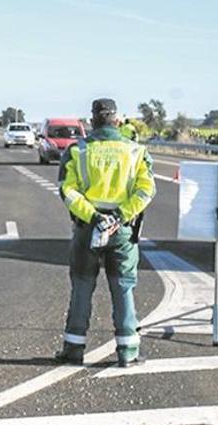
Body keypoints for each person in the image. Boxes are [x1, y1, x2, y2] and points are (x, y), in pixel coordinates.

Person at [56, 98, 156, 367]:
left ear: (92, 120)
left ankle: (74, 350)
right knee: (123, 288)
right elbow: (146, 190)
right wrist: (120, 216)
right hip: (122, 230)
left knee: (81, 286)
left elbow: (67, 189)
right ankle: (128, 352)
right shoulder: (135, 152)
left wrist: (95, 216)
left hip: (88, 228)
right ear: (117, 120)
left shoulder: (79, 151)